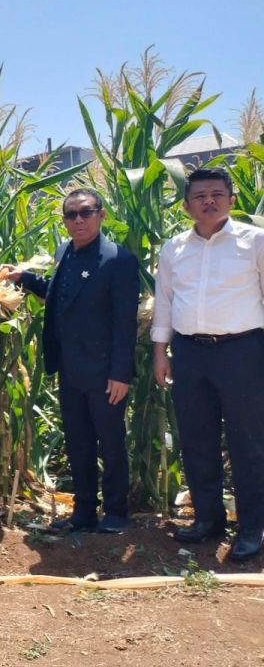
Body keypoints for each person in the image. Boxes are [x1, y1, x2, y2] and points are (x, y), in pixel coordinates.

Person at [0, 189, 140, 534]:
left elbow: (126, 322)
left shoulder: (118, 260)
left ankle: (117, 512)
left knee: (110, 442)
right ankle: (84, 512)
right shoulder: (64, 251)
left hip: (105, 372)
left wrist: (121, 373)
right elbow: (60, 292)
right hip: (70, 368)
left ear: (101, 215)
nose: (78, 220)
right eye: (71, 215)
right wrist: (25, 279)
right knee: (78, 441)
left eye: (86, 212)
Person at [152, 167, 264, 562]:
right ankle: (209, 522)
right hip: (191, 353)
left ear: (233, 200)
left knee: (247, 443)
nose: (209, 201)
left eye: (217, 193)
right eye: (200, 196)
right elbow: (164, 302)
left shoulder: (255, 242)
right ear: (186, 206)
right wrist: (160, 351)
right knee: (197, 440)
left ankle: (252, 528)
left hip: (243, 351)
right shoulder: (174, 249)